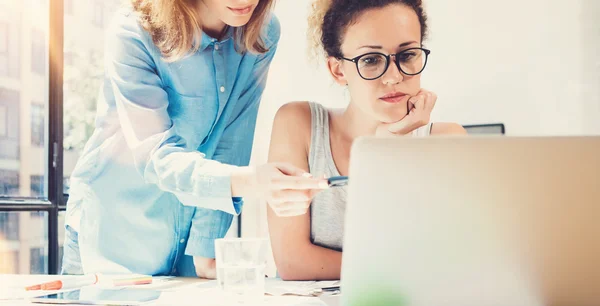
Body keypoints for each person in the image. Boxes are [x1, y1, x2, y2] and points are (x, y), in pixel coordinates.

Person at [62, 0, 329, 278]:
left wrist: (205, 249)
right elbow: (157, 158)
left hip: (188, 251)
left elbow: (232, 141)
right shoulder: (133, 31)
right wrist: (253, 181)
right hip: (114, 237)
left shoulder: (261, 33)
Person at [267, 0, 467, 281]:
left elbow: (450, 263)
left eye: (408, 55)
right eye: (371, 60)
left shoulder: (447, 142)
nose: (394, 77)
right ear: (338, 71)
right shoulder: (299, 123)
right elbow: (293, 262)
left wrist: (390, 145)